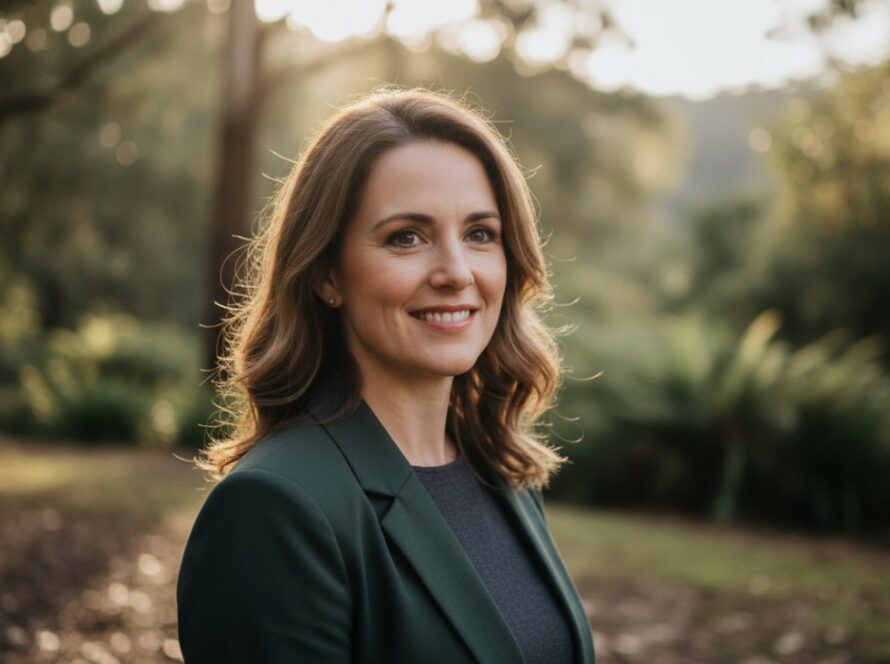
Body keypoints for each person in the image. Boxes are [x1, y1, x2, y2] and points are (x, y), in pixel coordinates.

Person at [176, 87, 596, 664]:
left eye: (480, 234)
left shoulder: (502, 472)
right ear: (327, 274)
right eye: (407, 237)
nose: (456, 272)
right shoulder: (273, 508)